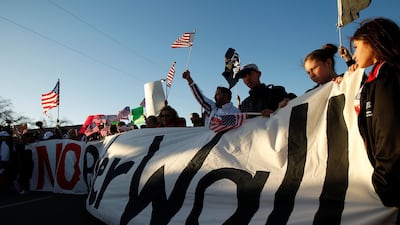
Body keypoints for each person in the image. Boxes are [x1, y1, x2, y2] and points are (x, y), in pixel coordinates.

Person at [350, 17, 400, 211]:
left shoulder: (387, 76)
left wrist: (383, 183)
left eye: (355, 47)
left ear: (372, 41)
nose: (354, 55)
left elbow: (390, 135)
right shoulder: (376, 78)